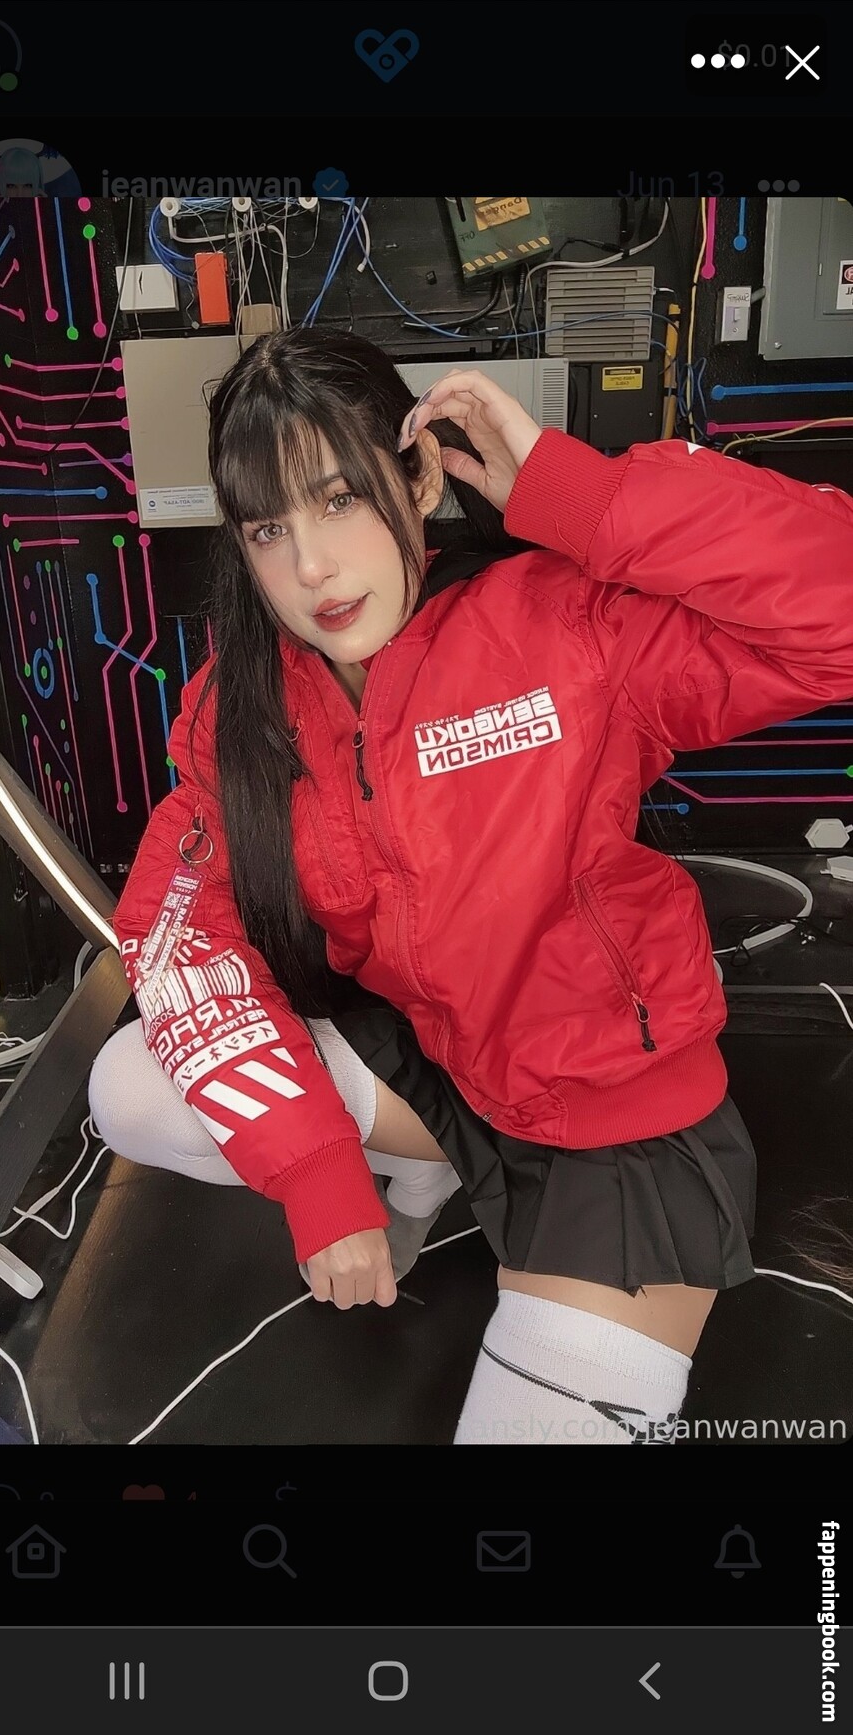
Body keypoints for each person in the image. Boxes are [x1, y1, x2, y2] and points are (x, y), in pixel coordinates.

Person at [92, 329, 853, 1445]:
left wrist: (579, 493)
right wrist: (315, 1175)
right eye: (268, 528)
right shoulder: (238, 709)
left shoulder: (564, 625)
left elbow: (837, 611)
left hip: (611, 1130)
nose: (311, 568)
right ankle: (423, 1177)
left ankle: (442, 1189)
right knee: (128, 1085)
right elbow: (181, 948)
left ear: (419, 476)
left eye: (340, 499)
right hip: (436, 1072)